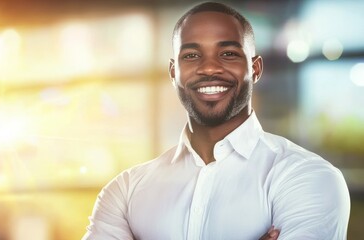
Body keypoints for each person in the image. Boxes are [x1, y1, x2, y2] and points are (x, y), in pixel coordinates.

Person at [82, 2, 350, 239]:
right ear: (174, 72)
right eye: (191, 55)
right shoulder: (125, 191)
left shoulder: (307, 178)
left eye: (228, 54)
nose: (209, 67)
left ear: (255, 69)